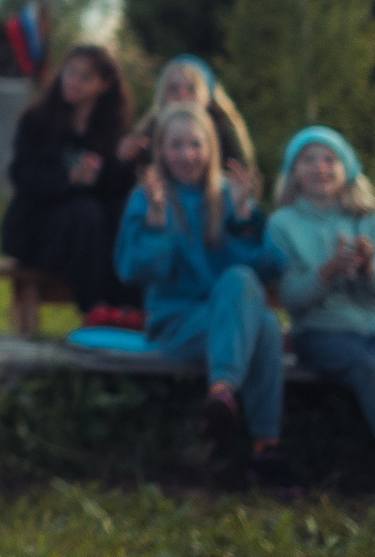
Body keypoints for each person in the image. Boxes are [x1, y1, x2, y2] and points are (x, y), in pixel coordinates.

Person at [114, 103, 297, 489]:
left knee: (249, 296)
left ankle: (222, 395)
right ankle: (266, 447)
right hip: (178, 322)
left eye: (195, 145)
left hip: (228, 319)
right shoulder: (148, 198)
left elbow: (274, 266)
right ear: (161, 150)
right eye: (176, 145)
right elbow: (131, 270)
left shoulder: (231, 195)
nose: (186, 155)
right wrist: (158, 226)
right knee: (262, 323)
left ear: (211, 148)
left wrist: (246, 218)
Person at [266, 128, 375, 504]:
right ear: (294, 172)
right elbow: (292, 300)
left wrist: (367, 271)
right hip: (321, 332)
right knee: (372, 372)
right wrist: (327, 272)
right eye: (308, 159)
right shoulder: (282, 224)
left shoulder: (368, 218)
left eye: (329, 158)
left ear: (346, 168)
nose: (320, 167)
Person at [0, 43, 138, 323]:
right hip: (38, 227)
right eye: (70, 72)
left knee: (121, 212)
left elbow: (115, 190)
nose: (73, 82)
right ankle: (96, 309)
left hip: (88, 232)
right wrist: (68, 178)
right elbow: (22, 176)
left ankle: (128, 310)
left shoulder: (112, 128)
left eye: (85, 77)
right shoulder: (37, 120)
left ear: (104, 85)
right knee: (86, 212)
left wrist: (121, 164)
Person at [117, 54, 258, 186]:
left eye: (191, 88)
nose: (182, 95)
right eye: (173, 88)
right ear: (162, 96)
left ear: (207, 97)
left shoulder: (223, 132)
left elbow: (243, 182)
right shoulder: (147, 135)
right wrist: (123, 161)